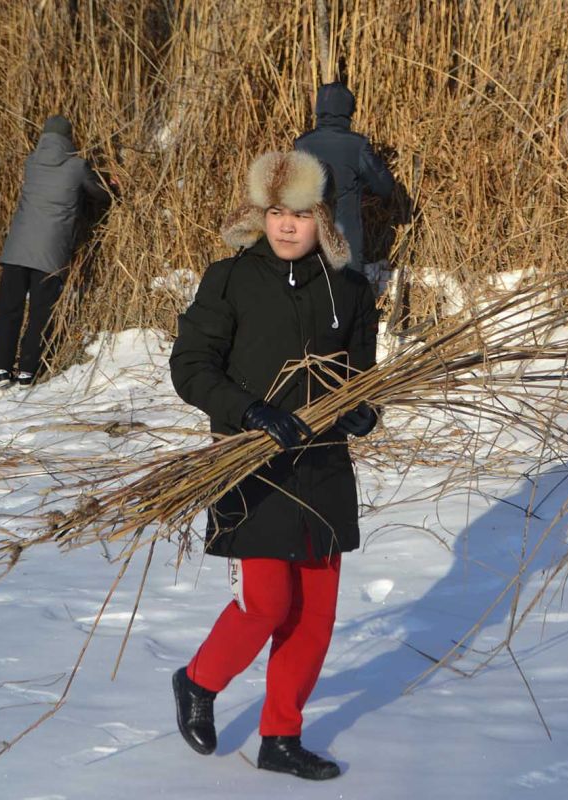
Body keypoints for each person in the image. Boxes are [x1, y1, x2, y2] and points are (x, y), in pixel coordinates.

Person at [168, 149, 380, 780]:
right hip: (248, 461)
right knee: (265, 605)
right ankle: (200, 682)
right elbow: (191, 367)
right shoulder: (229, 278)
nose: (287, 226)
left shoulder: (350, 287)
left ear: (325, 220)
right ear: (262, 215)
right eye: (276, 213)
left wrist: (361, 410)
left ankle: (280, 737)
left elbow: (360, 373)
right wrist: (251, 412)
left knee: (315, 615)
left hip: (321, 467)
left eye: (302, 214)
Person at [0, 115, 114, 389]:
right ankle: (27, 371)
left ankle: (0, 370)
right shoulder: (77, 166)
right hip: (49, 253)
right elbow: (100, 193)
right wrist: (113, 185)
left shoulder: (31, 163)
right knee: (40, 313)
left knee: (9, 310)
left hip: (16, 251)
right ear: (69, 138)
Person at [295, 82, 396, 274]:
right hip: (346, 238)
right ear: (348, 110)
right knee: (349, 293)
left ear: (319, 109)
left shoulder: (302, 144)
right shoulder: (357, 145)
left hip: (310, 234)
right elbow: (384, 186)